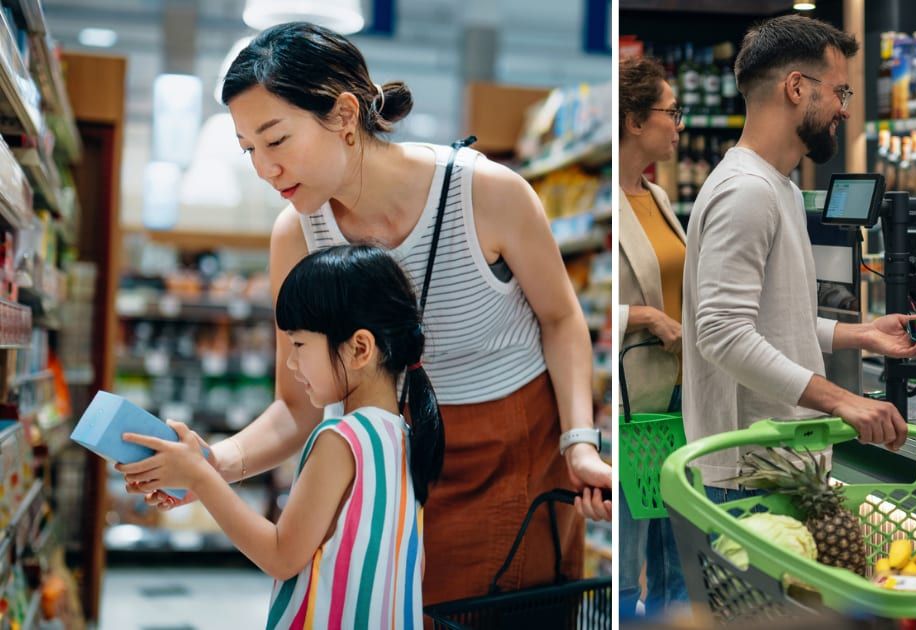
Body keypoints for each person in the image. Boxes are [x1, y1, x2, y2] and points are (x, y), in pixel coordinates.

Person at [119, 22, 611, 606]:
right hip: (388, 460)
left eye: (276, 140)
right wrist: (210, 463)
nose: (263, 169)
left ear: (345, 114)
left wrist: (580, 442)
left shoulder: (487, 193)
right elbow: (296, 404)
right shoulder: (297, 235)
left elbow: (561, 319)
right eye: (249, 149)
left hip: (512, 452)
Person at [681, 15, 916, 499]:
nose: (844, 110)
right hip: (748, 472)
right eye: (840, 92)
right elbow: (722, 332)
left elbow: (770, 319)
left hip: (778, 463)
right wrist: (843, 401)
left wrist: (861, 335)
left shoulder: (782, 189)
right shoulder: (746, 192)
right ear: (797, 87)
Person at [122, 245, 442, 628]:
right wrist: (203, 472)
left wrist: (201, 478)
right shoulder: (403, 434)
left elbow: (279, 554)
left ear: (359, 348)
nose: (291, 362)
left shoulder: (341, 441)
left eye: (300, 345)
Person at [616, 54, 687, 619]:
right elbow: (575, 309)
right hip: (632, 401)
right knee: (629, 540)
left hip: (679, 391)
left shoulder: (657, 197)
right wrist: (643, 317)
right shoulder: (609, 199)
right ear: (635, 122)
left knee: (674, 537)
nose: (679, 124)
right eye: (671, 111)